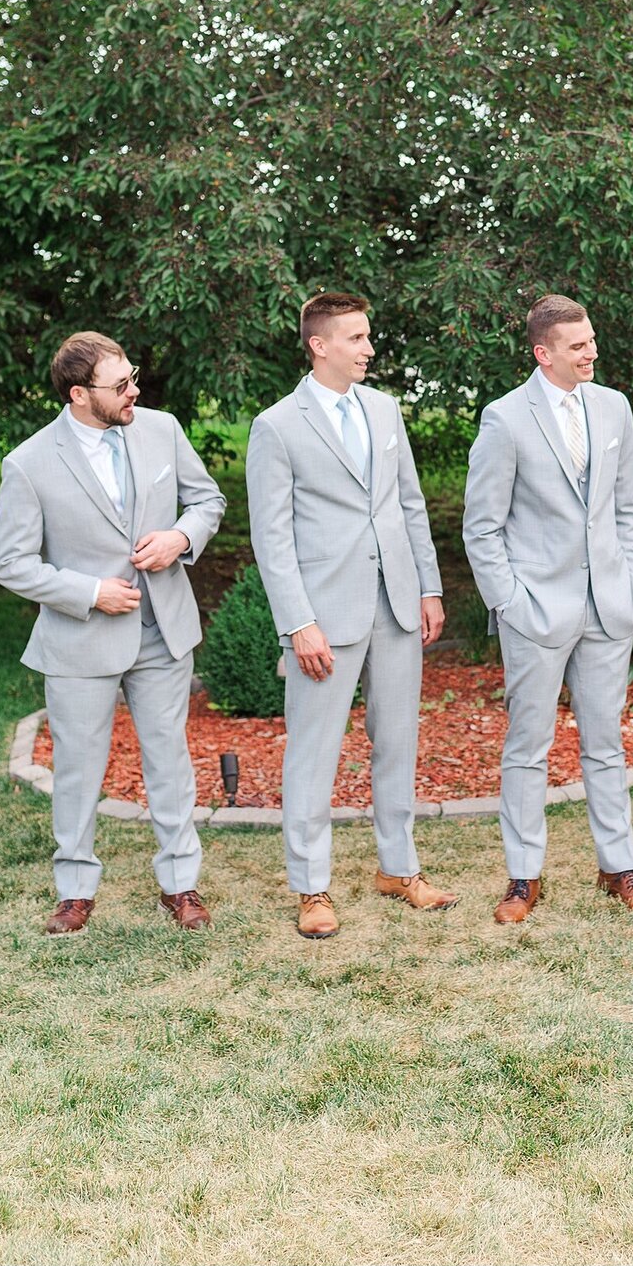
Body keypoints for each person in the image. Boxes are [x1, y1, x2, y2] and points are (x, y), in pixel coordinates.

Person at [0, 332, 226, 934]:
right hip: (80, 639)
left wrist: (180, 538)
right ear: (77, 394)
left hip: (162, 630)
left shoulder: (162, 428)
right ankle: (74, 889)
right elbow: (9, 563)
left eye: (133, 376)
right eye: (119, 385)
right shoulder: (28, 463)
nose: (134, 391)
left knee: (168, 758)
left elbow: (207, 500)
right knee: (77, 766)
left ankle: (181, 883)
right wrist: (89, 592)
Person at [247, 292, 453, 939]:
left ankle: (400, 869)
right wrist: (297, 622)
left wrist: (428, 587)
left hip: (396, 603)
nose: (369, 349)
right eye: (358, 338)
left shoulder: (386, 410)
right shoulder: (276, 426)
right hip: (324, 618)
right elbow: (271, 538)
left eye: (369, 337)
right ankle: (312, 888)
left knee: (398, 743)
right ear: (320, 344)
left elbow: (409, 504)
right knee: (313, 754)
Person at [463, 294, 633, 922]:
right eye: (578, 346)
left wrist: (629, 577)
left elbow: (628, 504)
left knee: (606, 745)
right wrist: (510, 603)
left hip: (608, 608)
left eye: (592, 341)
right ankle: (523, 877)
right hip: (536, 614)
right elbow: (481, 527)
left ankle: (620, 868)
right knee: (528, 746)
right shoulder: (504, 420)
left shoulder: (614, 408)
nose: (592, 353)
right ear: (543, 353)